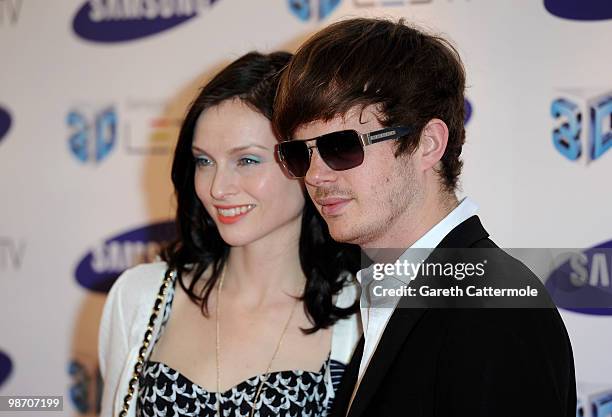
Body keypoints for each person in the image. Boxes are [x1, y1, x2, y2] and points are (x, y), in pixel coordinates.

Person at [272, 18, 577, 417]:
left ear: (428, 144)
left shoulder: (492, 312)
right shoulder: (404, 291)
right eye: (299, 153)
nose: (315, 175)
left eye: (341, 147)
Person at [98, 51, 362, 417]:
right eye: (204, 161)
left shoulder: (360, 315)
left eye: (247, 160)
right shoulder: (141, 297)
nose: (218, 187)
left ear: (305, 162)